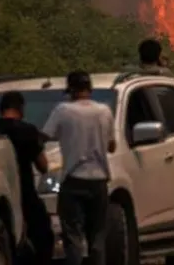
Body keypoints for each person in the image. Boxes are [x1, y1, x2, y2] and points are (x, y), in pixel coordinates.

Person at [43, 71, 116, 265]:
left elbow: (45, 136)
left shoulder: (63, 110)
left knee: (73, 236)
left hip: (73, 179)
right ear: (89, 89)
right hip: (99, 180)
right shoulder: (105, 111)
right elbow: (112, 145)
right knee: (97, 237)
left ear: (71, 91)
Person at [0, 91, 54, 265]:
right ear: (21, 108)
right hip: (25, 193)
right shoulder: (28, 131)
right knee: (43, 237)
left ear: (1, 109)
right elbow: (43, 165)